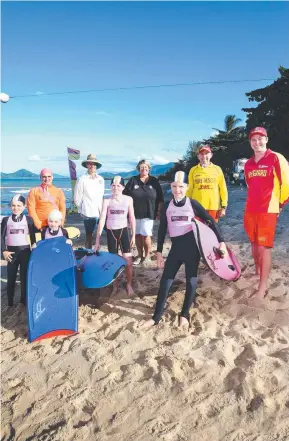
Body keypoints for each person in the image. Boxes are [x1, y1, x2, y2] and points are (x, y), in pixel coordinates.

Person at [140, 171, 226, 329]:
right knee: (165, 282)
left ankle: (184, 314)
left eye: (180, 186)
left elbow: (211, 222)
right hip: (175, 250)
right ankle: (156, 317)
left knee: (191, 282)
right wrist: (158, 252)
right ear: (171, 187)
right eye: (174, 186)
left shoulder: (193, 204)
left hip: (192, 250)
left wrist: (221, 242)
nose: (177, 190)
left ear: (187, 187)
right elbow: (162, 230)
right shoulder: (167, 206)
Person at [244, 127, 289, 297]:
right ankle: (257, 272)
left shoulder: (276, 158)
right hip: (250, 209)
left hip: (268, 210)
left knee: (264, 247)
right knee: (254, 244)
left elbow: (287, 184)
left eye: (260, 139)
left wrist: (279, 206)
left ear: (267, 139)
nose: (257, 143)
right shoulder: (248, 164)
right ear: (250, 143)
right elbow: (250, 185)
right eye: (253, 140)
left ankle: (262, 287)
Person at [95, 176, 136, 295]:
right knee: (113, 261)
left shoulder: (128, 199)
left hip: (124, 231)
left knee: (128, 261)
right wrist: (97, 240)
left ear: (123, 187)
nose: (116, 188)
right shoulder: (107, 200)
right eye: (113, 185)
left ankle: (129, 285)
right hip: (111, 233)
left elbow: (132, 217)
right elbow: (102, 219)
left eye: (118, 185)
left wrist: (133, 235)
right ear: (110, 187)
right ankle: (115, 286)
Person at [123, 159, 164, 265]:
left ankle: (147, 256)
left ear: (149, 169)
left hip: (149, 213)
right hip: (134, 213)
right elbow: (124, 194)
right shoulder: (133, 180)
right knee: (136, 235)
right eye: (142, 167)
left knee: (146, 234)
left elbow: (160, 197)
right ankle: (139, 255)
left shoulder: (154, 181)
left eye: (146, 167)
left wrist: (159, 212)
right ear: (138, 169)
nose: (144, 169)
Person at [1, 195, 36, 307]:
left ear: (24, 206)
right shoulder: (6, 220)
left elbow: (34, 237)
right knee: (11, 279)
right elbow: (1, 237)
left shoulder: (29, 220)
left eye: (19, 205)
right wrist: (4, 251)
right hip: (11, 254)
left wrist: (35, 247)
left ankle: (23, 301)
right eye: (13, 205)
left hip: (25, 252)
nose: (16, 208)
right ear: (10, 206)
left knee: (24, 278)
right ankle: (10, 303)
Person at [186, 145, 228, 222]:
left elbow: (223, 189)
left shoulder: (217, 169)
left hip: (213, 207)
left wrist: (224, 207)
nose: (204, 156)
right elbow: (190, 189)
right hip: (197, 206)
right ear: (198, 156)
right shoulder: (193, 170)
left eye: (206, 153)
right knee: (198, 231)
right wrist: (186, 204)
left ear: (211, 155)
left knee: (212, 231)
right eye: (201, 154)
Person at [74, 154, 104, 249]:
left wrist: (103, 210)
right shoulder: (82, 179)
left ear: (96, 166)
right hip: (88, 211)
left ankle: (96, 252)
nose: (92, 166)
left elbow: (101, 196)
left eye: (94, 164)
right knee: (89, 235)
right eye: (90, 164)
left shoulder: (101, 179)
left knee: (99, 234)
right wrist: (82, 209)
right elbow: (77, 198)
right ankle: (89, 252)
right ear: (87, 165)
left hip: (100, 211)